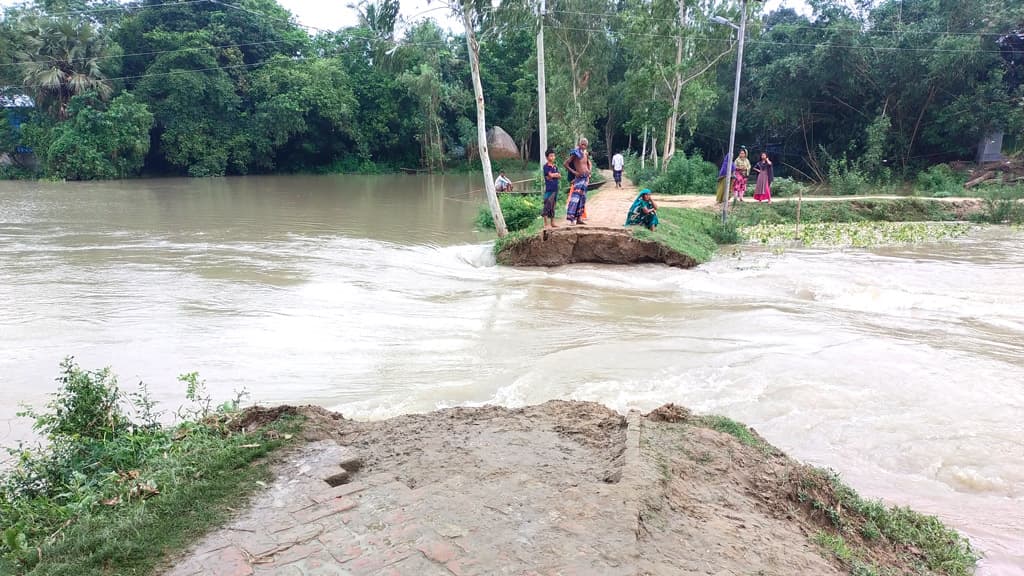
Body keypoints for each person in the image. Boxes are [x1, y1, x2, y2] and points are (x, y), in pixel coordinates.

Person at [564, 137, 591, 222]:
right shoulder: (575, 153)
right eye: (582, 144)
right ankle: (571, 218)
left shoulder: (586, 153)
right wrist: (574, 172)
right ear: (579, 144)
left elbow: (588, 163)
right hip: (578, 178)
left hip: (585, 177)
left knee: (582, 198)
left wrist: (589, 171)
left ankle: (579, 218)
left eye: (585, 145)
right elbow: (566, 164)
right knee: (575, 198)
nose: (583, 146)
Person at [542, 149, 561, 228]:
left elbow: (559, 176)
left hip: (555, 188)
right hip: (549, 189)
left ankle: (552, 222)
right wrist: (554, 175)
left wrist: (554, 175)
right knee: (547, 205)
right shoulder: (546, 166)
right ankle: (546, 224)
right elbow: (550, 175)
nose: (553, 157)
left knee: (553, 206)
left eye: (553, 155)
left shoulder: (555, 166)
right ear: (547, 157)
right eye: (551, 156)